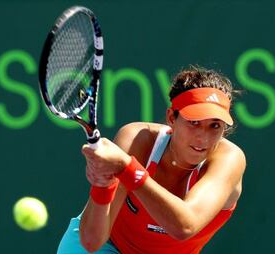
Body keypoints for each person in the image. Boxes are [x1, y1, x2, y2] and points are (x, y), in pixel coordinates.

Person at [57, 66, 246, 254]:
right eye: (194, 122)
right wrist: (102, 186)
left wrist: (128, 169)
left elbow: (185, 226)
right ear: (172, 118)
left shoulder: (229, 159)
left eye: (214, 125)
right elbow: (91, 242)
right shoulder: (137, 139)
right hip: (110, 246)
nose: (203, 138)